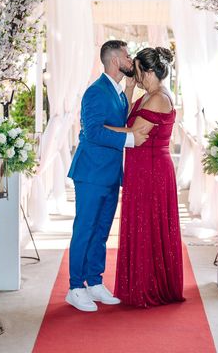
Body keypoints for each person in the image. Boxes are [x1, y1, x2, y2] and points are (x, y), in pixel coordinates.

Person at [66, 40, 149, 312]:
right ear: (115, 60)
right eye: (127, 56)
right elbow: (93, 132)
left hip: (111, 173)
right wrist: (130, 140)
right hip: (91, 172)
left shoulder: (118, 91)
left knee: (101, 231)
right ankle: (75, 287)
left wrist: (128, 90)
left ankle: (95, 281)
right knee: (85, 229)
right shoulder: (95, 91)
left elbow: (117, 121)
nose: (130, 60)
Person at [110, 47, 185, 307]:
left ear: (150, 71)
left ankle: (150, 285)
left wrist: (99, 128)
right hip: (142, 168)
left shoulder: (158, 98)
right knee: (144, 223)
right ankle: (142, 280)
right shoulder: (147, 96)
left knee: (148, 224)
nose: (134, 72)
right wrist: (130, 88)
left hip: (152, 170)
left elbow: (133, 131)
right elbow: (126, 116)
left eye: (138, 69)